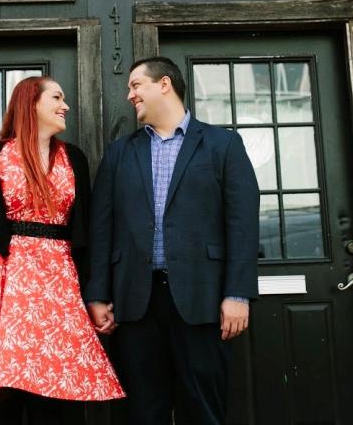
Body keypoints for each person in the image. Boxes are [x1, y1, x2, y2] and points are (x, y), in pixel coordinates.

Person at [0, 76, 124, 425]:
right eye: (57, 97)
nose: (65, 105)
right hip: (9, 287)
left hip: (60, 288)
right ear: (30, 103)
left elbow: (88, 236)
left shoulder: (74, 159)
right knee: (7, 396)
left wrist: (94, 296)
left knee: (56, 396)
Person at [85, 56, 260, 425]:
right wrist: (98, 294)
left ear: (164, 84)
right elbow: (102, 229)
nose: (130, 94)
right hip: (136, 305)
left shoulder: (223, 145)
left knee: (204, 411)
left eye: (136, 85)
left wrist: (237, 294)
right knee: (143, 413)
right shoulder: (119, 154)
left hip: (203, 301)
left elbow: (242, 224)